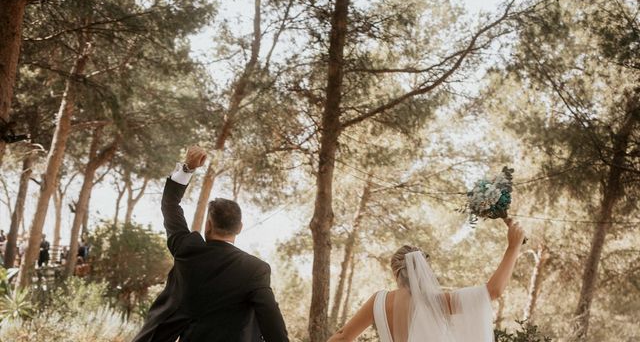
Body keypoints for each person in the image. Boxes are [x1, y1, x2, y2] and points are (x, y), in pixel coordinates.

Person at [132, 145, 289, 342]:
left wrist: (188, 168)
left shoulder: (187, 249)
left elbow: (170, 204)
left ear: (208, 225)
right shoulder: (255, 270)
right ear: (239, 228)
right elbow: (273, 325)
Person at [328, 219, 526, 342]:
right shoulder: (435, 302)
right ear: (424, 271)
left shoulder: (377, 301)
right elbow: (493, 291)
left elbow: (342, 337)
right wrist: (513, 247)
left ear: (395, 272)